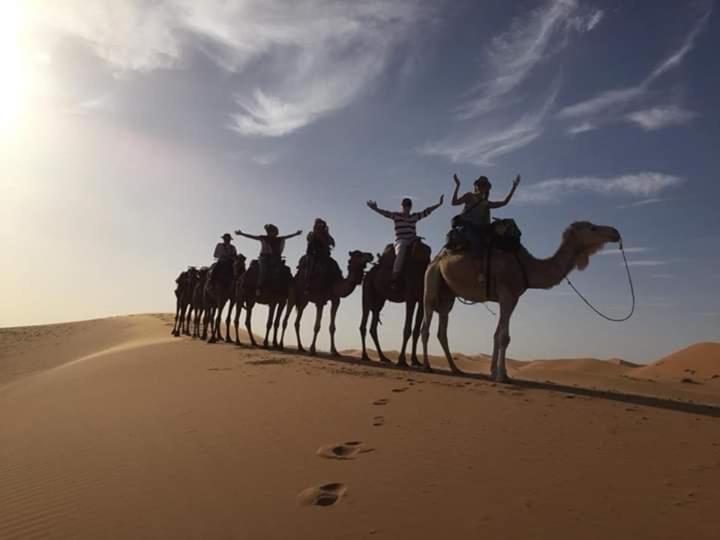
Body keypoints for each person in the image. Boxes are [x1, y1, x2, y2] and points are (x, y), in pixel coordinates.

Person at [367, 195, 443, 285]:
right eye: (405, 206)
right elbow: (385, 214)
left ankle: (429, 273)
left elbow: (427, 211)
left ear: (410, 207)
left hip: (413, 240)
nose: (407, 208)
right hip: (401, 240)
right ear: (402, 206)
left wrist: (439, 204)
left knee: (425, 249)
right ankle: (395, 274)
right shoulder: (396, 216)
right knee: (401, 250)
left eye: (408, 206)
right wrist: (375, 209)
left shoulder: (414, 217)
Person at [451, 173, 520, 254]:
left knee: (507, 225)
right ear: (476, 186)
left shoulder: (486, 203)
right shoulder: (469, 196)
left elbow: (504, 202)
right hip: (467, 227)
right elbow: (454, 202)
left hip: (479, 228)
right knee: (477, 243)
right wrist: (457, 185)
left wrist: (514, 188)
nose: (482, 187)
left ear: (487, 189)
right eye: (480, 184)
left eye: (484, 185)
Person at [235, 224, 302, 296]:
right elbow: (252, 237)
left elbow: (288, 237)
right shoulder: (263, 238)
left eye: (274, 232)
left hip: (275, 259)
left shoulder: (279, 239)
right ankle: (259, 287)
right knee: (263, 270)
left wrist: (296, 234)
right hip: (264, 258)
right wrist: (241, 234)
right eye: (271, 232)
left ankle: (286, 290)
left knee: (283, 270)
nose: (272, 233)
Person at [304, 218, 335, 291]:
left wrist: (327, 233)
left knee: (333, 265)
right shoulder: (312, 233)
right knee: (311, 265)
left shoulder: (326, 234)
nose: (320, 226)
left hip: (324, 255)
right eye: (319, 224)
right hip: (313, 254)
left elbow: (332, 243)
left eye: (322, 224)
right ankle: (307, 283)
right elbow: (309, 240)